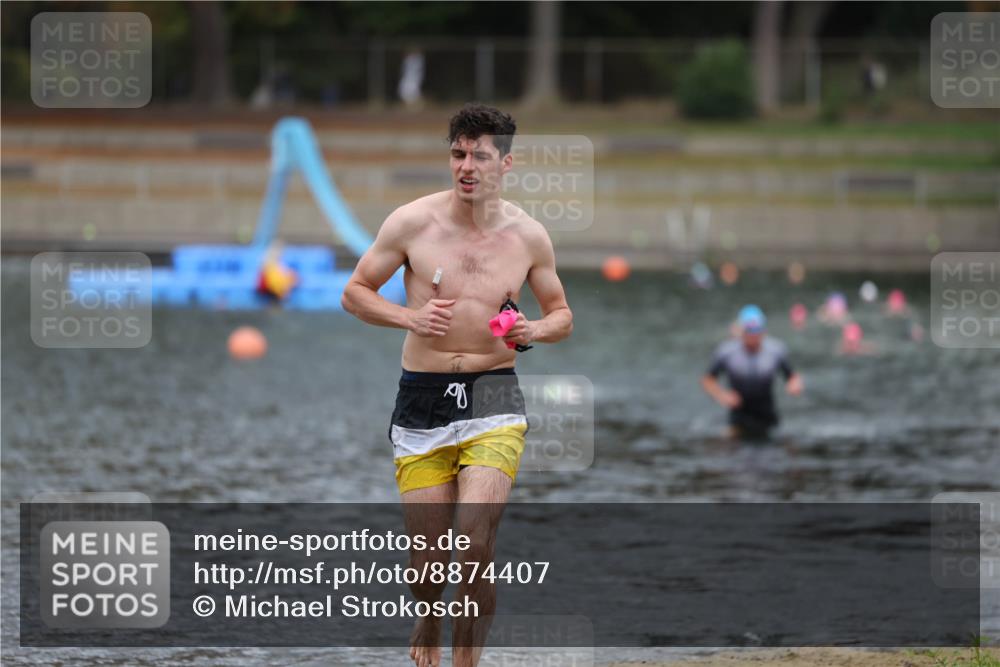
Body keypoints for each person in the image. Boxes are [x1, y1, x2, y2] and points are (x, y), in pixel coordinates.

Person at [342, 103, 573, 667]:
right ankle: (427, 615)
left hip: (494, 394)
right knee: (428, 567)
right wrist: (410, 317)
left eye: (480, 156)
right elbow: (355, 293)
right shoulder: (411, 223)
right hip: (421, 399)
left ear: (506, 163)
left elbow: (562, 315)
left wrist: (531, 330)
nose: (467, 166)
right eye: (458, 154)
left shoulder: (529, 236)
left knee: (473, 546)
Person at [701, 305, 802, 439]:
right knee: (729, 443)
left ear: (763, 331)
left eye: (757, 331)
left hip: (767, 412)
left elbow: (792, 376)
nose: (753, 336)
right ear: (741, 331)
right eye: (749, 331)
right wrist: (722, 396)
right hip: (739, 413)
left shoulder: (776, 350)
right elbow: (708, 380)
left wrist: (794, 385)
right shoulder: (727, 352)